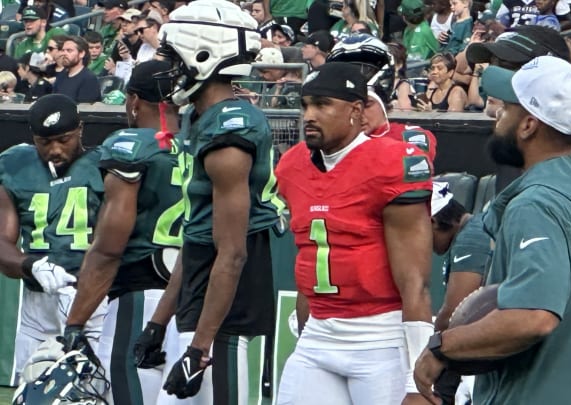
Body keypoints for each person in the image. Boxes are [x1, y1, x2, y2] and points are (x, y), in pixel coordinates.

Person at [414, 55, 571, 404]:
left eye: (506, 109)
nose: (496, 117)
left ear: (528, 125)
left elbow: (533, 316)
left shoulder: (536, 204)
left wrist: (443, 348)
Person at [134, 1, 282, 402]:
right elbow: (198, 238)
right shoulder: (204, 120)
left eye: (171, 57)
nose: (166, 69)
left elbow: (231, 253)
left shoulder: (228, 129)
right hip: (204, 301)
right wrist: (159, 322)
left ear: (204, 54)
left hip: (227, 314)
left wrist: (199, 350)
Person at [275, 61, 434, 405]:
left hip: (379, 338)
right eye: (305, 105)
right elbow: (310, 260)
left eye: (322, 104)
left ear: (357, 110)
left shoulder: (391, 163)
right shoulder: (292, 165)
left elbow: (415, 284)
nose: (309, 115)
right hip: (318, 335)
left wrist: (417, 380)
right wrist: (306, 334)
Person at [62, 60, 182, 405]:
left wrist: (76, 322)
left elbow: (109, 248)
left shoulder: (131, 145)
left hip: (141, 297)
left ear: (133, 100)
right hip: (194, 302)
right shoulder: (200, 145)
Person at [0, 94, 106, 384]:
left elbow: (116, 242)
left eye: (64, 139)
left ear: (81, 130)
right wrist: (30, 264)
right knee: (32, 391)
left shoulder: (104, 164)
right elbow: (2, 242)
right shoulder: (15, 165)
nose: (55, 150)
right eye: (45, 142)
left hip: (94, 301)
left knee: (93, 392)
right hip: (38, 305)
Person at [429, 181, 493, 404]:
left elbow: (455, 313)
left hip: (487, 345)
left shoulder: (471, 239)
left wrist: (425, 350)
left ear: (434, 222)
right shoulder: (470, 231)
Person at [326, 34, 438, 160]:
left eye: (367, 105)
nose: (358, 115)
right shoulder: (325, 142)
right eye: (347, 107)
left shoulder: (410, 136)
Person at [54, 36, 102, 103]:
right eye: (63, 50)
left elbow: (84, 109)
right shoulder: (61, 75)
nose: (64, 54)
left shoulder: (89, 79)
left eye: (69, 50)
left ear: (81, 54)